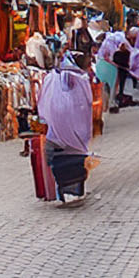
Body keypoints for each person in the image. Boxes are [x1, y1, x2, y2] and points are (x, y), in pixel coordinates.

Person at [37, 52, 95, 204]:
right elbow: (87, 104)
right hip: (77, 132)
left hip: (54, 133)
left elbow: (43, 102)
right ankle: (76, 191)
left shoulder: (51, 79)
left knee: (58, 163)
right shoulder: (81, 80)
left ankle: (60, 193)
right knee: (75, 161)